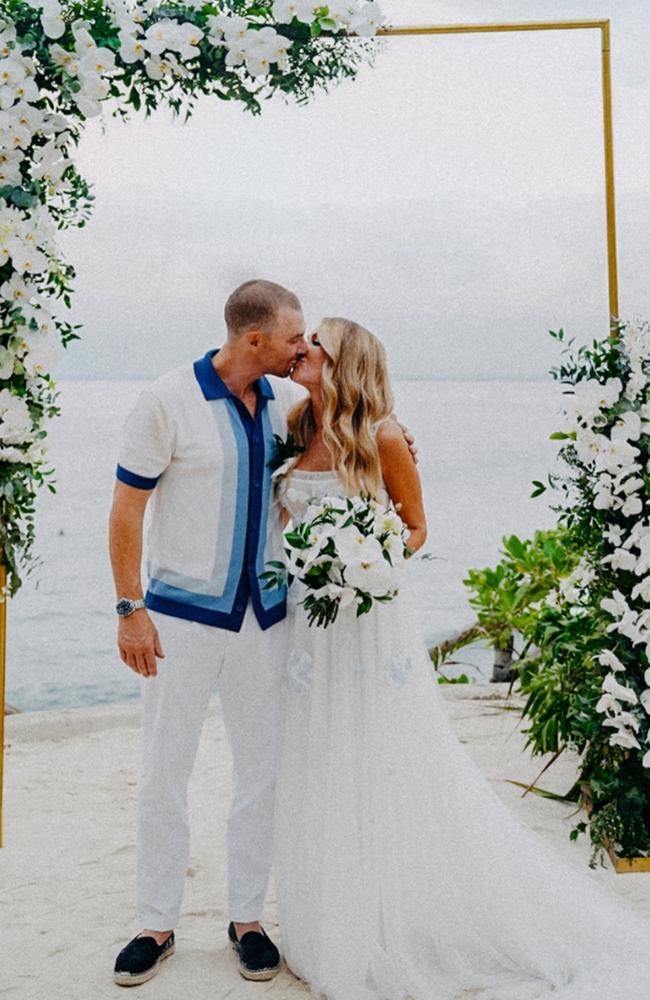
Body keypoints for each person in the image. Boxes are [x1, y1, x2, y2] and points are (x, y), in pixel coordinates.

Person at [272, 317, 650, 1000]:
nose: (302, 349)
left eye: (315, 341)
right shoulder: (296, 428)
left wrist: (358, 561)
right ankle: (326, 911)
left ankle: (386, 915)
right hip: (307, 633)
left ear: (343, 359)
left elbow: (415, 530)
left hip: (364, 623)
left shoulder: (385, 435)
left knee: (380, 757)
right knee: (315, 757)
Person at [108, 280, 417, 987]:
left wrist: (398, 441)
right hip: (180, 620)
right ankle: (156, 923)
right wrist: (130, 610)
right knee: (164, 770)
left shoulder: (287, 404)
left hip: (269, 620)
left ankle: (247, 919)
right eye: (293, 338)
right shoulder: (165, 402)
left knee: (263, 772)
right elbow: (127, 511)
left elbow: (355, 433)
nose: (302, 348)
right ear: (255, 341)